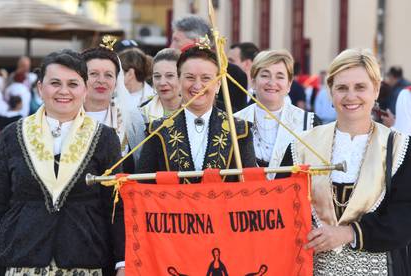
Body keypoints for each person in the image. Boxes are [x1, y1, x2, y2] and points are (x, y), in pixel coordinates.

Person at [278, 48, 411, 275]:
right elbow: (280, 207)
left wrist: (350, 233)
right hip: (313, 267)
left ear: (376, 90)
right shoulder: (301, 145)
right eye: (341, 88)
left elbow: (404, 216)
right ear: (330, 92)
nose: (351, 96)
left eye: (360, 87)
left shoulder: (400, 147)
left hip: (380, 268)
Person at [0, 49, 125, 276]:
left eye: (73, 84)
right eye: (55, 83)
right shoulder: (13, 135)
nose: (63, 91)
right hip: (22, 256)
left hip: (85, 257)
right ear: (39, 88)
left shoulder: (105, 138)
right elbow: (0, 200)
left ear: (85, 89)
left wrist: (121, 261)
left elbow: (114, 206)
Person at [136, 46, 256, 182]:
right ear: (179, 82)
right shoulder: (158, 130)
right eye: (190, 78)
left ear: (217, 85)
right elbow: (144, 186)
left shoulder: (240, 130)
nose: (198, 86)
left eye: (206, 78)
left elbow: (250, 187)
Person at [235, 49, 319, 170]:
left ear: (289, 85)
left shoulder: (309, 122)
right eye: (265, 75)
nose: (272, 82)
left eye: (280, 77)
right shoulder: (234, 121)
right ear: (253, 82)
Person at [81, 44, 145, 170]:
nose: (101, 80)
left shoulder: (131, 120)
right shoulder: (66, 116)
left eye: (108, 75)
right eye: (93, 74)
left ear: (117, 81)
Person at [170, 14, 248, 112]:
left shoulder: (233, 73)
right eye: (190, 77)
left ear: (196, 41)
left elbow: (239, 115)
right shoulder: (170, 68)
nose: (171, 46)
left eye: (176, 40)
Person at [140, 48, 182, 123]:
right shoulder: (142, 113)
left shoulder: (197, 109)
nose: (162, 83)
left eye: (169, 76)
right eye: (157, 76)